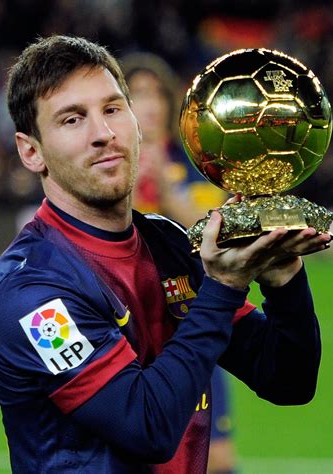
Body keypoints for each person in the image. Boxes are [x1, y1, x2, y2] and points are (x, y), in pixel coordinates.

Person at [0, 35, 332, 473]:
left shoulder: (167, 245)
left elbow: (289, 380)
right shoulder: (33, 292)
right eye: (72, 120)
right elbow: (147, 427)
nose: (103, 134)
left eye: (112, 109)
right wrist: (223, 287)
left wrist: (283, 281)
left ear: (137, 122)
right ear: (31, 151)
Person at [123, 53, 237, 473]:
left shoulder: (196, 164)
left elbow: (212, 230)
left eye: (156, 94)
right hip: (130, 323)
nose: (149, 104)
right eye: (136, 94)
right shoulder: (107, 168)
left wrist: (166, 187)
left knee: (217, 457)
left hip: (192, 320)